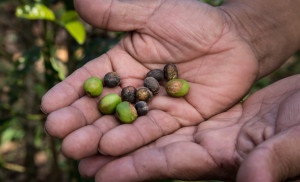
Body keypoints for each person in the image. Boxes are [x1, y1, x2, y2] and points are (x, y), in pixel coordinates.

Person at [41, 0, 300, 181]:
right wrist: (245, 29)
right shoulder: (137, 91)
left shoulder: (151, 88)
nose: (172, 85)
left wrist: (246, 31)